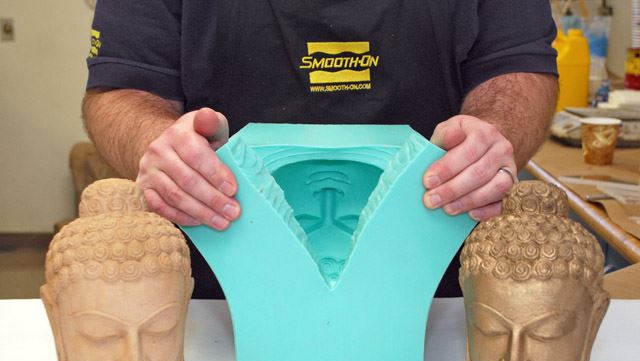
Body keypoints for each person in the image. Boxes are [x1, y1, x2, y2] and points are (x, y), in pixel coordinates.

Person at [82, 0, 559, 298]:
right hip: (213, 297)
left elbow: (518, 66)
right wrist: (160, 144)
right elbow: (121, 87)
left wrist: (491, 135)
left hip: (446, 294)